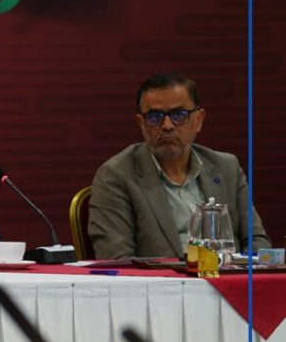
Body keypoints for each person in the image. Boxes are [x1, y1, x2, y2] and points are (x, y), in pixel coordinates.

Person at [89, 72, 270, 259]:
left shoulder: (226, 167)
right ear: (141, 123)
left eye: (179, 115)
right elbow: (117, 260)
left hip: (226, 275)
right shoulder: (116, 175)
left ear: (198, 120)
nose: (167, 125)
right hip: (165, 278)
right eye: (154, 117)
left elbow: (257, 242)